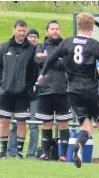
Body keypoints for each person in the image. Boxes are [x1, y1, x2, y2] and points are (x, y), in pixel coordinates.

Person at [37, 13, 99, 172]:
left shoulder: (67, 42)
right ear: (92, 27)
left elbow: (50, 58)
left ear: (78, 25)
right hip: (92, 90)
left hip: (73, 91)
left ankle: (79, 144)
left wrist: (43, 75)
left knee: (86, 126)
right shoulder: (94, 44)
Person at [35, 20, 72, 162]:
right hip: (45, 91)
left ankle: (63, 155)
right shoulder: (40, 46)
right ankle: (45, 153)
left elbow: (68, 64)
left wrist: (48, 59)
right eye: (52, 29)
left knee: (63, 124)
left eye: (57, 28)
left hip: (63, 91)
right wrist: (56, 60)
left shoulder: (66, 46)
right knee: (46, 123)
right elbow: (38, 61)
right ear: (47, 31)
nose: (55, 31)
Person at [0, 20, 37, 159]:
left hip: (23, 93)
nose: (22, 33)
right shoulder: (4, 47)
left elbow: (34, 71)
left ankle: (19, 152)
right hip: (6, 92)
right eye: (19, 30)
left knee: (22, 122)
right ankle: (3, 151)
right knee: (4, 120)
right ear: (14, 30)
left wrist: (28, 87)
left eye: (24, 31)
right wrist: (2, 84)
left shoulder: (32, 49)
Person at [8, 28, 40, 158]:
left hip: (34, 94)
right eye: (30, 36)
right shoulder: (23, 51)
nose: (32, 38)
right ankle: (12, 151)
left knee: (33, 125)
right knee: (15, 123)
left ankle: (31, 153)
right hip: (19, 94)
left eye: (35, 36)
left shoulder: (40, 52)